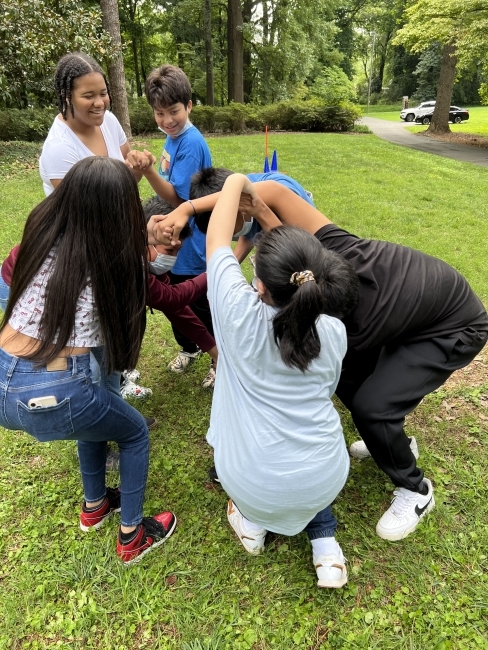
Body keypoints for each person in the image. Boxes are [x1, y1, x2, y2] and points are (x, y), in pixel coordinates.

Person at [152, 180, 488, 542]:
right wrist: (240, 211)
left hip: (452, 326)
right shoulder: (330, 251)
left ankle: (416, 490)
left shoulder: (348, 325)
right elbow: (277, 194)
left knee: (375, 407)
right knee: (350, 381)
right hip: (416, 308)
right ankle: (388, 441)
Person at [0, 157, 176, 564]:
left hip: (3, 372)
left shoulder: (42, 233)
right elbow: (159, 285)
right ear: (121, 211)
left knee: (89, 420)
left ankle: (95, 505)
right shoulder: (114, 257)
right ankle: (132, 537)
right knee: (134, 433)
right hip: (51, 386)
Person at [203, 173, 359, 588]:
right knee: (304, 473)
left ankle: (253, 525)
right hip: (326, 474)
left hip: (250, 479)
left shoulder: (236, 313)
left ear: (259, 286)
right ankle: (325, 546)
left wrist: (237, 180)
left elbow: (216, 239)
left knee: (265, 481)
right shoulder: (334, 330)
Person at [38, 51, 153, 401]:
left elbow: (122, 183)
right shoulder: (59, 150)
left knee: (113, 331)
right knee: (91, 345)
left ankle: (115, 393)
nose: (100, 102)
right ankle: (99, 419)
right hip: (82, 253)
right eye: (88, 95)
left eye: (102, 92)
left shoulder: (109, 121)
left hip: (114, 239)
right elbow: (89, 211)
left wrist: (136, 165)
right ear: (66, 96)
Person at [128, 65, 214, 385]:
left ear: (189, 105)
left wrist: (148, 170)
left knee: (198, 304)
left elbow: (180, 200)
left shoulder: (190, 142)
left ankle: (219, 357)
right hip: (170, 238)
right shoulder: (172, 137)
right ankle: (189, 347)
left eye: (173, 111)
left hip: (188, 242)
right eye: (159, 113)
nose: (166, 120)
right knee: (175, 300)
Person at [143, 196, 217, 387]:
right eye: (169, 250)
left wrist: (215, 352)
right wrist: (217, 270)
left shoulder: (151, 267)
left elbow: (178, 311)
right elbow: (173, 298)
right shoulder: (133, 270)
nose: (173, 258)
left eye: (178, 251)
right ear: (148, 238)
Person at [189, 167, 315, 264]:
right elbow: (250, 232)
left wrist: (186, 209)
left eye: (231, 232)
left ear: (240, 208)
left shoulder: (286, 198)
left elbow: (295, 257)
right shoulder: (240, 195)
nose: (230, 236)